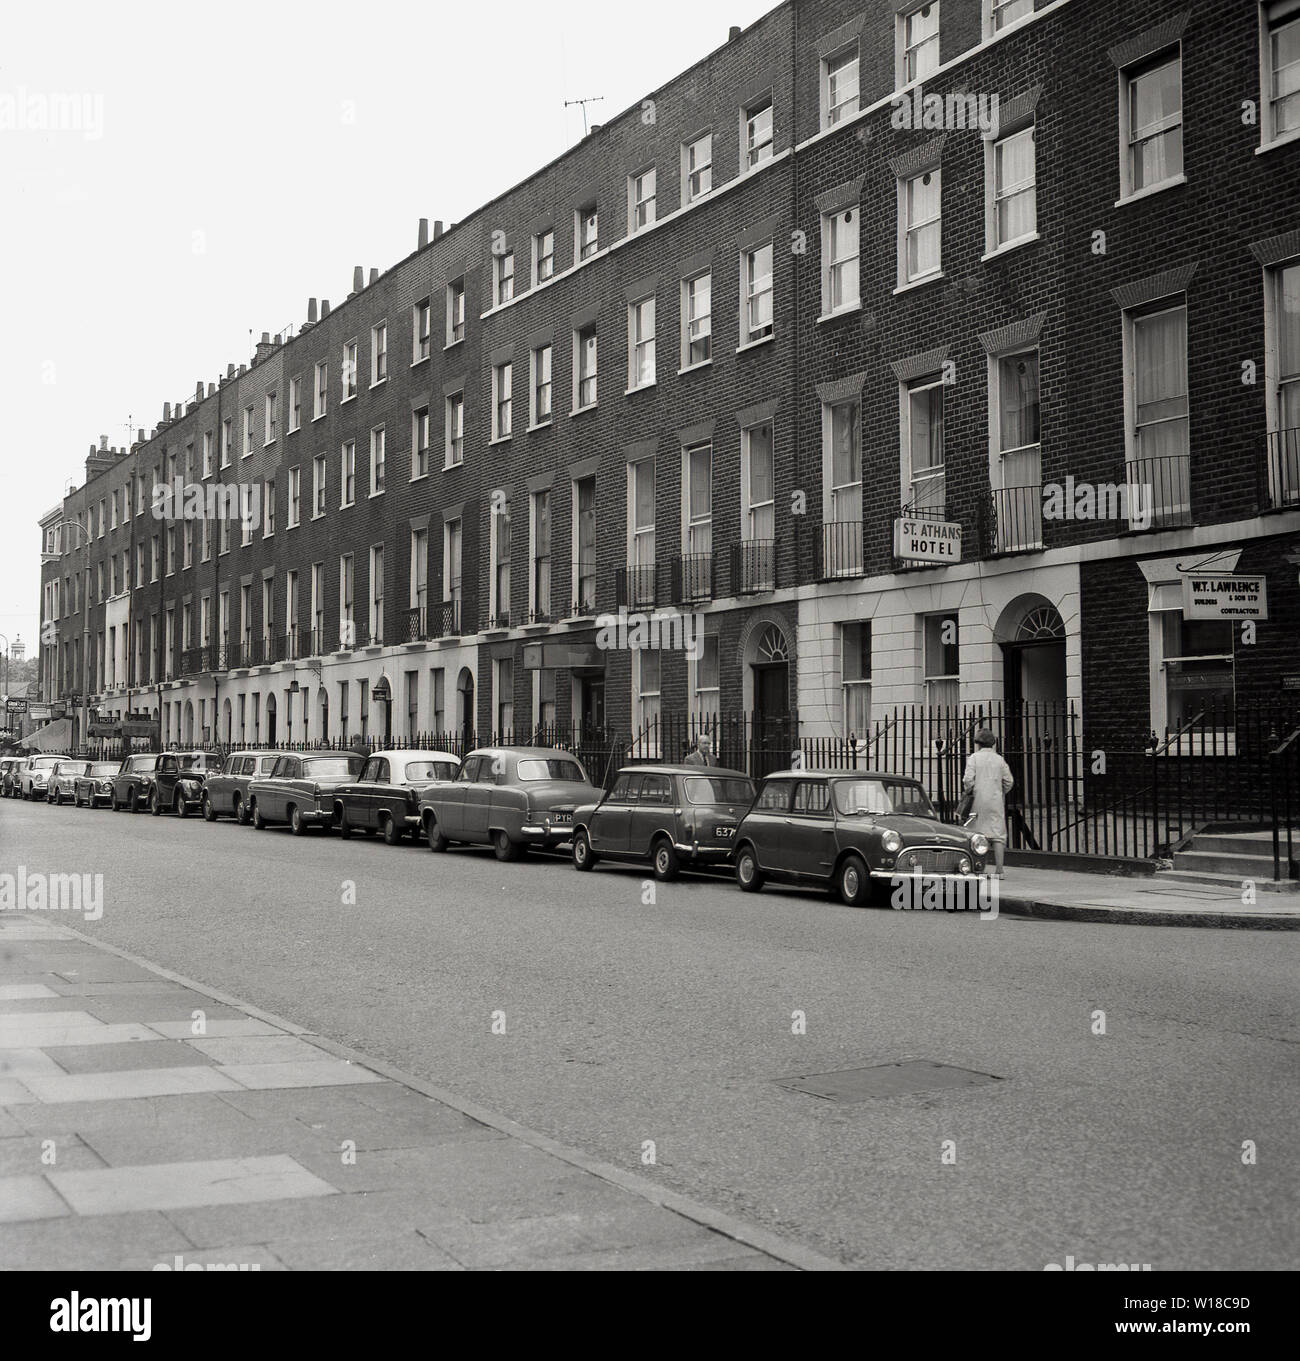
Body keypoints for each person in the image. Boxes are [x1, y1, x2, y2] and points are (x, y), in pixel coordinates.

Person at [962, 728, 1014, 878]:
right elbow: (1009, 781)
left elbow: (967, 779)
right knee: (997, 834)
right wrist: (1000, 791)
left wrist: (969, 790)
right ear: (992, 743)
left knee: (976, 833)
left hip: (977, 801)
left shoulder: (974, 758)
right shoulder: (999, 759)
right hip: (995, 800)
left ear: (977, 743)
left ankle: (977, 868)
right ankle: (999, 870)